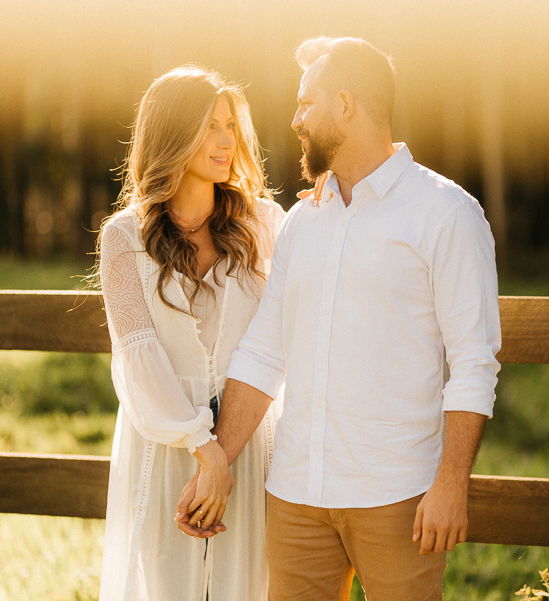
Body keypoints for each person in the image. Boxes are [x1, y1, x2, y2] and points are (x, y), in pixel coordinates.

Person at [176, 36, 501, 600]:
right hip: (297, 495)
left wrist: (451, 485)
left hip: (397, 496)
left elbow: (474, 362)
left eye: (307, 104)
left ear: (346, 105)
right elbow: (264, 352)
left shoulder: (446, 213)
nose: (296, 119)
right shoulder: (306, 220)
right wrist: (218, 463)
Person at [96, 64, 285, 601]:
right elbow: (138, 356)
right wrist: (205, 451)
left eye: (230, 125)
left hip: (248, 446)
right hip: (163, 445)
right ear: (172, 133)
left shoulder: (267, 225)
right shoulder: (123, 237)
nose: (227, 140)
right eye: (210, 126)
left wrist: (224, 453)